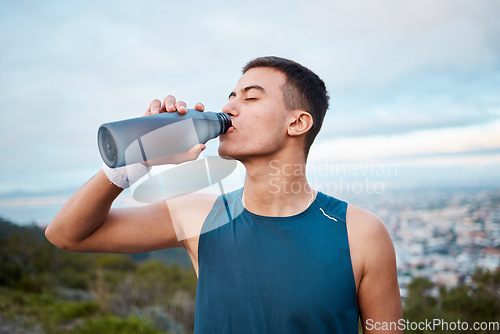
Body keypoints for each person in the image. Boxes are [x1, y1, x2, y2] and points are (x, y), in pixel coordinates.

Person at [46, 56, 402, 333]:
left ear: (297, 123)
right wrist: (130, 164)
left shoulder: (360, 233)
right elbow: (65, 235)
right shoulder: (198, 216)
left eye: (250, 97)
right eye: (231, 96)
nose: (230, 108)